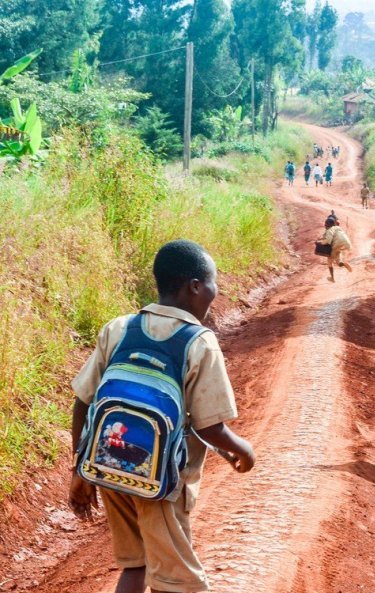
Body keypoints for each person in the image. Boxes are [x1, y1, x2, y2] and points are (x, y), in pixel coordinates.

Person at [68, 240, 255, 593]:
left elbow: (83, 402)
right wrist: (244, 450)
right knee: (178, 582)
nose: (216, 291)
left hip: (109, 466)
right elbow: (210, 426)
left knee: (135, 566)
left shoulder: (120, 328)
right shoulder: (199, 343)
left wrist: (80, 468)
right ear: (195, 286)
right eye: (214, 282)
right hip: (161, 482)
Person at [317, 214, 353, 282]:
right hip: (346, 243)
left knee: (329, 260)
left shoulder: (329, 230)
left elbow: (328, 240)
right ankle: (342, 263)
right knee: (338, 258)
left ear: (327, 225)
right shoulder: (337, 227)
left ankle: (332, 278)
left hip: (336, 244)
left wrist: (320, 243)